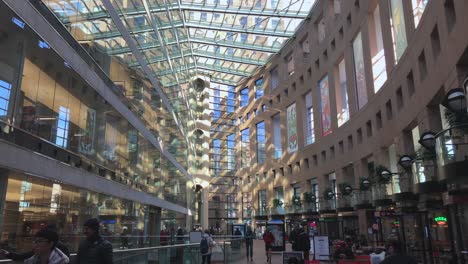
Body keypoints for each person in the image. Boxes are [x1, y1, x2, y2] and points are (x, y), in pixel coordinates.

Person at [0, 226, 70, 261]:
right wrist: (8, 254)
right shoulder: (36, 255)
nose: (35, 244)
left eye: (39, 241)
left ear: (50, 243)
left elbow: (25, 256)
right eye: (35, 241)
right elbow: (25, 256)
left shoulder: (62, 258)